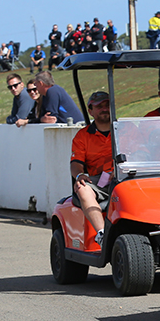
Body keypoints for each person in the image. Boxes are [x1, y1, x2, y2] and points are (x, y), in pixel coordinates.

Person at [70, 91, 113, 245]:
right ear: (91, 111)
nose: (104, 109)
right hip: (99, 181)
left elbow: (140, 153)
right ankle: (102, 234)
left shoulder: (125, 130)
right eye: (99, 106)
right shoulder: (82, 136)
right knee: (82, 188)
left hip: (124, 176)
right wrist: (79, 175)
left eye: (107, 105)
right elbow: (76, 163)